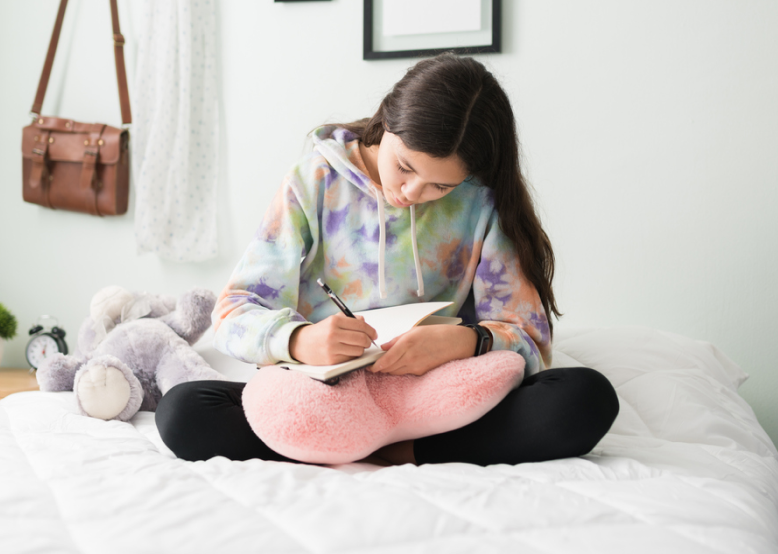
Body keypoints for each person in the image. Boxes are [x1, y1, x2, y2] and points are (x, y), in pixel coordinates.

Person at [155, 53, 619, 466]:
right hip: (324, 391)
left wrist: (465, 342)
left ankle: (384, 448)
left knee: (584, 400)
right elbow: (234, 311)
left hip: (433, 396)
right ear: (387, 124)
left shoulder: (482, 203)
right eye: (405, 167)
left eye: (441, 187)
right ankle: (373, 441)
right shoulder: (314, 181)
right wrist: (300, 340)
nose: (412, 194)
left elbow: (531, 340)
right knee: (183, 413)